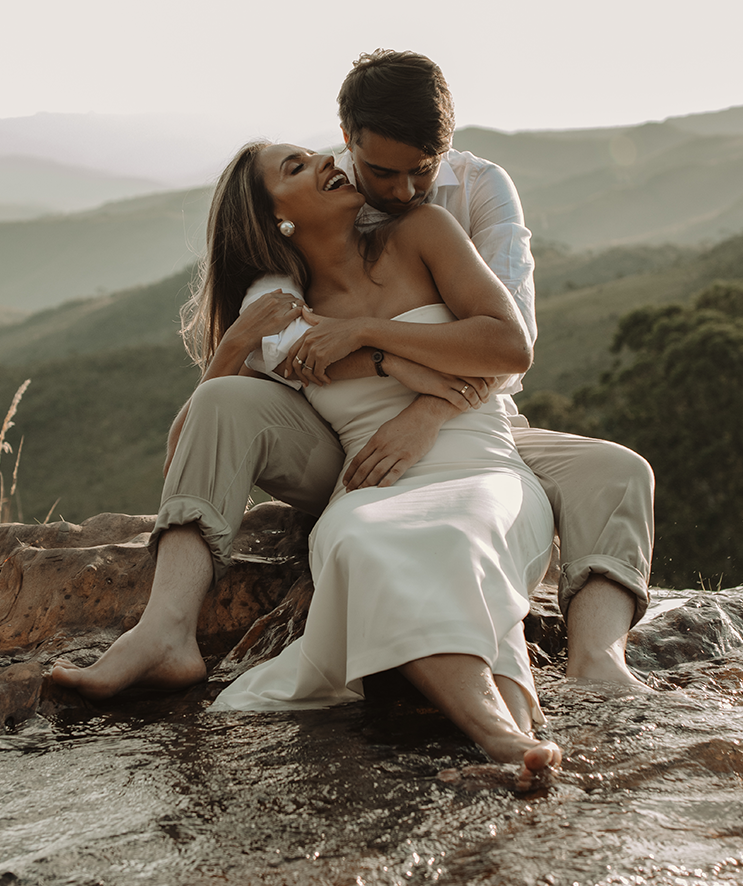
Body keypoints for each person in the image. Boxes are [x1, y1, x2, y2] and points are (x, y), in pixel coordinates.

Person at [52, 49, 653, 702]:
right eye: (380, 170)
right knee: (224, 400)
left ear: (444, 147)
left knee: (618, 471)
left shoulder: (478, 190)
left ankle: (597, 658)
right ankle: (165, 628)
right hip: (341, 439)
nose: (399, 191)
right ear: (346, 140)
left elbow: (511, 343)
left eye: (421, 171)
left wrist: (422, 411)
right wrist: (241, 349)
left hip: (470, 421)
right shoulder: (323, 201)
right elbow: (241, 391)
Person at [56, 139, 563, 783]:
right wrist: (240, 341)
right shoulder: (281, 309)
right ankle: (511, 741)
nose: (327, 161)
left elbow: (508, 344)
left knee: (460, 536)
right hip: (372, 483)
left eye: (315, 156)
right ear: (277, 220)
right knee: (365, 539)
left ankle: (504, 736)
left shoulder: (423, 231)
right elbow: (198, 432)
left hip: (479, 465)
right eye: (296, 167)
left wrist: (371, 337)